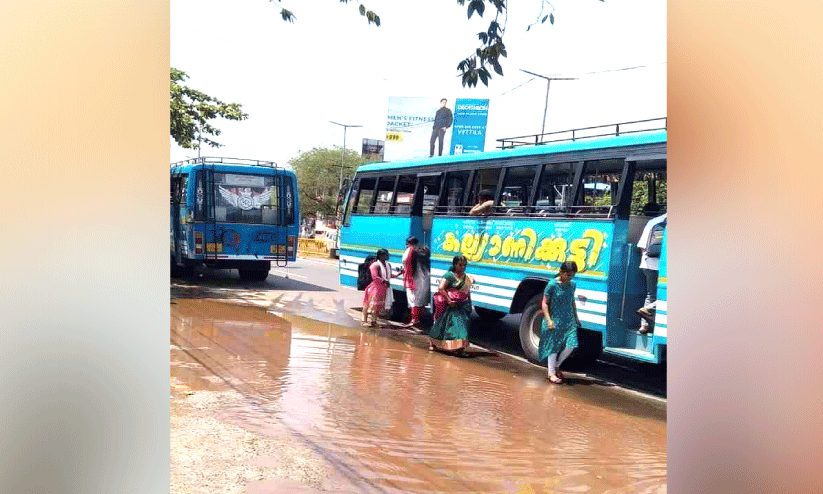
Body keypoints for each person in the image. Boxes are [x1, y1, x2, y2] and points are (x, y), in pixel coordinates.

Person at [538, 261, 582, 384]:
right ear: (562, 272)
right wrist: (548, 320)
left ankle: (557, 365)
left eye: (572, 275)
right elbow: (544, 303)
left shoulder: (572, 285)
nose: (570, 277)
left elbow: (572, 301)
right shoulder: (552, 285)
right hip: (554, 320)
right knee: (554, 346)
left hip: (569, 321)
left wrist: (576, 317)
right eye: (568, 275)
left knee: (571, 345)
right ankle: (551, 373)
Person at [428, 255, 473, 355]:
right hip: (451, 305)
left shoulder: (466, 277)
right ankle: (435, 343)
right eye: (460, 265)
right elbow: (441, 288)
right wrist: (448, 300)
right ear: (455, 265)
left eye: (464, 265)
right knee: (443, 326)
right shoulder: (449, 276)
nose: (462, 267)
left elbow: (467, 291)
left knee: (462, 327)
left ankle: (460, 349)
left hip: (461, 305)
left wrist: (469, 303)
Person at [636, 211, 667, 334]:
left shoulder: (654, 221)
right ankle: (649, 309)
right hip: (663, 265)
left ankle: (645, 326)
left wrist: (644, 264)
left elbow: (642, 246)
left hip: (648, 263)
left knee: (651, 295)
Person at [362, 249, 399, 327]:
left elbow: (389, 275)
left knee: (378, 306)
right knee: (369, 304)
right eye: (385, 255)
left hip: (383, 288)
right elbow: (375, 276)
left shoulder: (387, 265)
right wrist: (385, 281)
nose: (387, 256)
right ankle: (364, 321)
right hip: (374, 288)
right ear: (381, 256)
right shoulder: (375, 265)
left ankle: (374, 321)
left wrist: (399, 273)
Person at [401, 237, 430, 329]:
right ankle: (417, 319)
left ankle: (415, 320)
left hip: (414, 278)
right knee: (419, 299)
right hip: (422, 278)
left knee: (413, 299)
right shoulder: (422, 250)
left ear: (410, 243)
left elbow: (405, 262)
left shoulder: (410, 251)